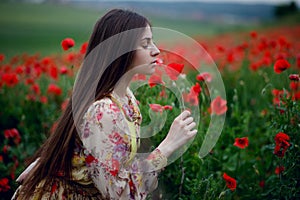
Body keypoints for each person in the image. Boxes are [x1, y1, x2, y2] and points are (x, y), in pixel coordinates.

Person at [12, 9, 197, 200]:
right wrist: (167, 147)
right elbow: (121, 195)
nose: (156, 50)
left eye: (152, 41)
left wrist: (50, 162)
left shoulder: (126, 98)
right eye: (145, 44)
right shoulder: (104, 111)